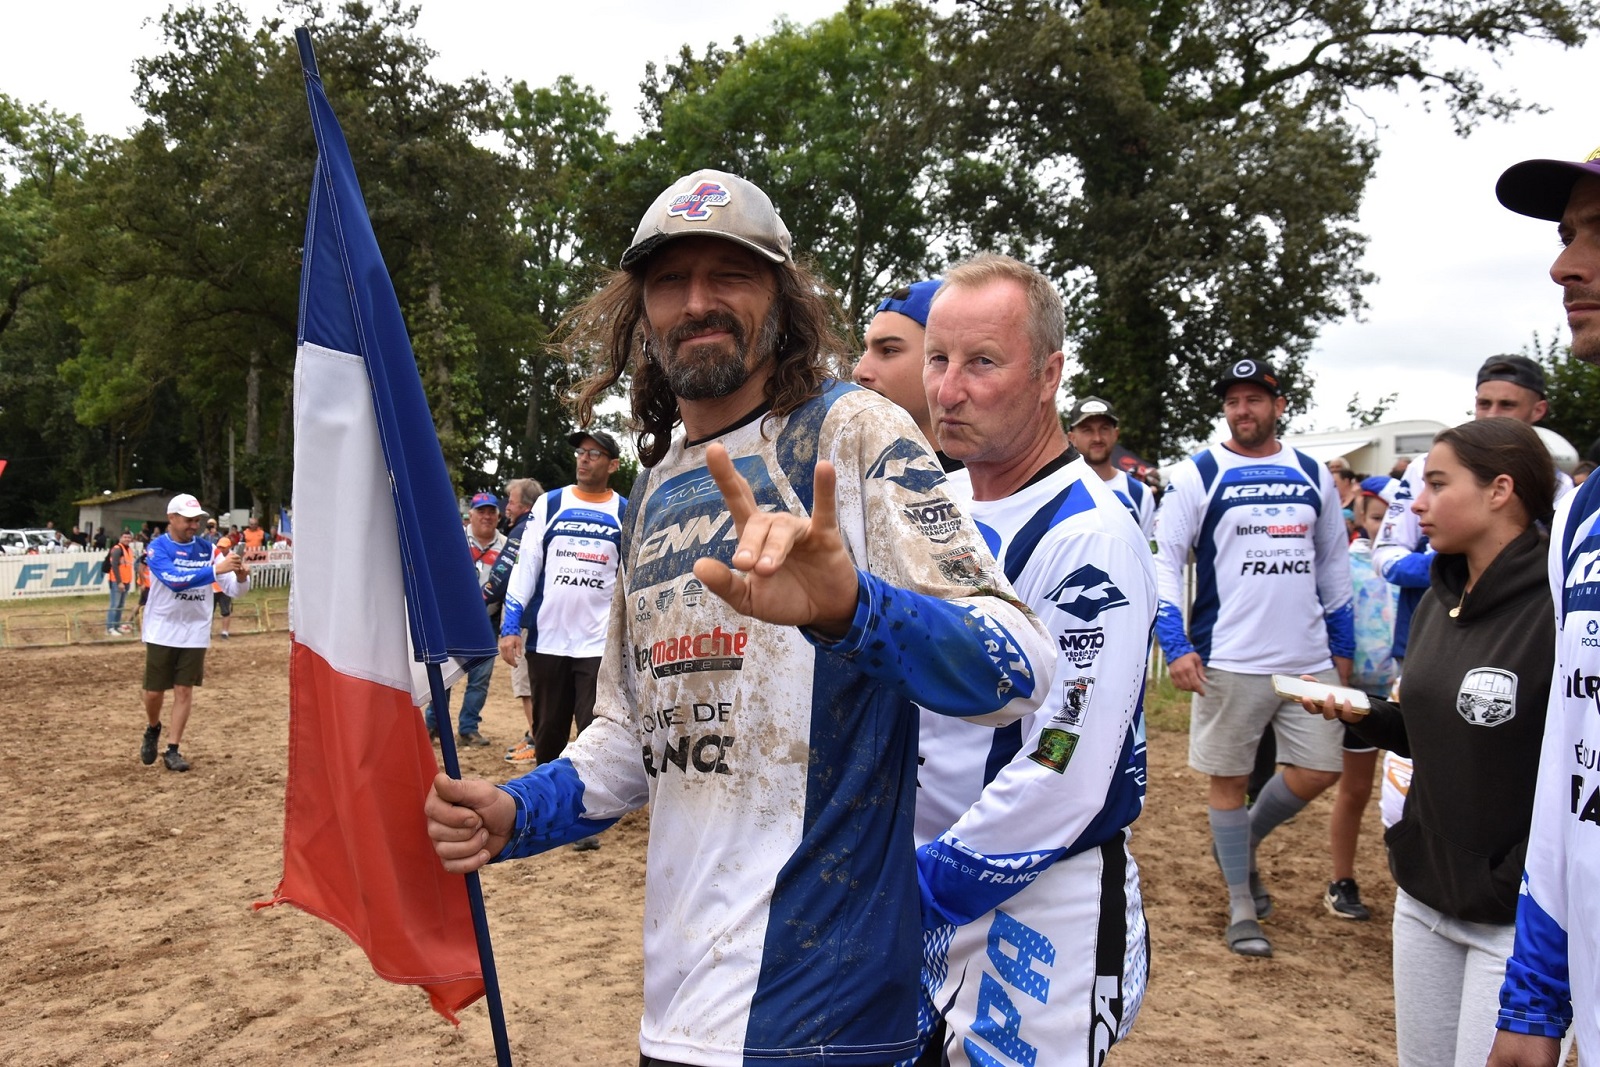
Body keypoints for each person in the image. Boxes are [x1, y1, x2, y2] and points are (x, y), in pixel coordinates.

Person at [424, 168, 1052, 1067]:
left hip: (828, 1016)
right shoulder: (651, 491)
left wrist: (853, 609)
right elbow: (630, 736)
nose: (697, 302)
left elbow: (1018, 666)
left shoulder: (854, 433)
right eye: (670, 281)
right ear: (642, 313)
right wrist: (515, 810)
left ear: (782, 300)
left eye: (730, 274)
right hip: (679, 1008)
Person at [912, 255, 1156, 1064]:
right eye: (938, 358)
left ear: (1049, 375)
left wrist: (922, 886)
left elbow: (1066, 757)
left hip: (1035, 900)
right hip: (921, 882)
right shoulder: (933, 506)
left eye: (982, 362)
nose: (948, 390)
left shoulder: (1091, 536)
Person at [1300, 419, 1556, 1067]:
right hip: (1422, 895)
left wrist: (1511, 877)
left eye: (1438, 485)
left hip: (1514, 923)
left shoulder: (1557, 609)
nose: (1416, 504)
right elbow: (1430, 732)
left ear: (1500, 490)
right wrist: (1362, 714)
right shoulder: (1442, 595)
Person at [1152, 357, 1354, 957]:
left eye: (1255, 399)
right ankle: (1241, 904)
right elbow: (1165, 562)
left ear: (1278, 405)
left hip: (1307, 656)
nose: (1243, 410)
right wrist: (1176, 644)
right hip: (1229, 657)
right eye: (1233, 401)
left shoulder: (1312, 472)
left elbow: (1334, 564)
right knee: (1230, 782)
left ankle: (1241, 842)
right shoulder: (1198, 473)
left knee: (1322, 769)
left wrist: (1342, 647)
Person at [1485, 145, 1600, 1066]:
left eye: (1598, 234)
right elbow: (1572, 755)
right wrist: (1534, 999)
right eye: (1567, 236)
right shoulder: (1585, 513)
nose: (1565, 265)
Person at [1374, 354, 1570, 665]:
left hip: (1514, 645)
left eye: (1507, 405)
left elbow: (1557, 567)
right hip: (1424, 637)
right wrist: (1450, 569)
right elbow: (1385, 552)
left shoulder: (1559, 485)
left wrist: (1490, 571)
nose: (1491, 414)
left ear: (1538, 410)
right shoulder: (1424, 465)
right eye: (1483, 403)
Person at [497, 432, 626, 822]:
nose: (584, 459)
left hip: (597, 645)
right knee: (548, 732)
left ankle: (586, 813)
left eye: (594, 453)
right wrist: (510, 624)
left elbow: (630, 576)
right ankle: (543, 809)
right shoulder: (550, 503)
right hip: (549, 640)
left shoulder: (624, 510)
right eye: (581, 452)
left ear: (613, 464)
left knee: (592, 732)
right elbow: (527, 565)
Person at [1323, 485, 1398, 921]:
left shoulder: (1431, 565)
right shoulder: (1347, 566)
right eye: (1376, 517)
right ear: (1360, 520)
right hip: (1364, 697)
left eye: (1392, 518)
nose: (1384, 527)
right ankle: (1342, 879)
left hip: (1413, 692)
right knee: (1355, 789)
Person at [139, 494, 248, 772]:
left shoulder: (208, 550)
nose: (194, 525)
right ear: (171, 518)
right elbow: (174, 580)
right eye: (188, 520)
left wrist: (241, 576)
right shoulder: (157, 548)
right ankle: (153, 727)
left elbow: (234, 589)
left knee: (184, 689)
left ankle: (172, 749)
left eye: (197, 520)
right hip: (162, 629)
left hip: (195, 630)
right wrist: (215, 570)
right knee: (153, 692)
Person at [423, 492, 505, 746]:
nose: (486, 517)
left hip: (486, 621)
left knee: (479, 679)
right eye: (481, 511)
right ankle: (433, 725)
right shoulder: (454, 538)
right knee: (443, 675)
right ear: (471, 515)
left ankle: (468, 728)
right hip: (451, 618)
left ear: (498, 516)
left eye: (491, 512)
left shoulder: (505, 546)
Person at [482, 476, 543, 765]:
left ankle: (538, 741)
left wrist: (480, 600)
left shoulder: (522, 529)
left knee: (526, 684)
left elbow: (501, 573)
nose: (507, 506)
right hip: (541, 617)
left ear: (526, 505)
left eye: (512, 501)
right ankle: (534, 735)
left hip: (523, 618)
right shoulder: (541, 524)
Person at [853, 279, 944, 454]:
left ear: (942, 359)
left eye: (888, 350)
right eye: (865, 350)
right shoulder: (844, 467)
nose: (858, 372)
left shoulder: (984, 471)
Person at [1065, 394, 1156, 538]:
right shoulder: (1058, 492)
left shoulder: (1140, 494)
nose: (1097, 438)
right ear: (1072, 438)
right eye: (1087, 430)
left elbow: (1147, 549)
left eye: (1104, 429)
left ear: (1116, 434)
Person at [105, 531, 135, 635]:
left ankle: (116, 625)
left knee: (120, 605)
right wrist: (119, 582)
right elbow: (114, 566)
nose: (127, 539)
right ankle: (110, 628)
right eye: (125, 537)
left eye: (129, 537)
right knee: (114, 605)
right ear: (120, 538)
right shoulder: (117, 549)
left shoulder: (129, 550)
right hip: (117, 581)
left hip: (126, 581)